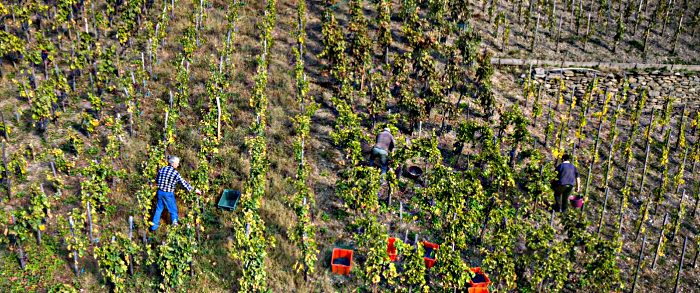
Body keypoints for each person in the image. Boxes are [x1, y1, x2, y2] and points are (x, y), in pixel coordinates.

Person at [151, 156, 201, 231]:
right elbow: (184, 184)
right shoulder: (175, 173)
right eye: (177, 164)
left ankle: (154, 227)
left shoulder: (162, 169)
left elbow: (157, 180)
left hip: (160, 192)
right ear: (173, 164)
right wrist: (194, 190)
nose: (178, 165)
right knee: (173, 211)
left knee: (159, 209)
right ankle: (175, 229)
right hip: (168, 194)